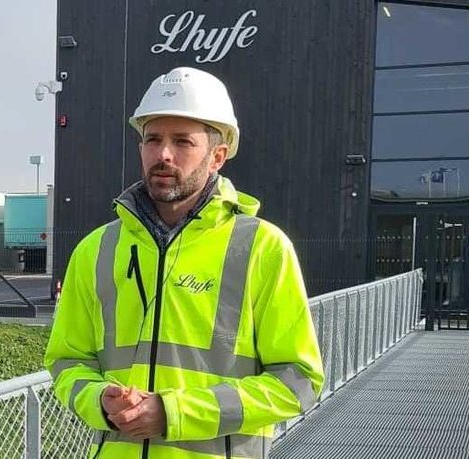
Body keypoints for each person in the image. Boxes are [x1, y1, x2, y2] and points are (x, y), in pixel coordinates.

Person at [44, 66, 324, 459]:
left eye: (183, 141)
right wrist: (99, 401)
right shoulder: (96, 249)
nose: (163, 154)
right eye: (152, 139)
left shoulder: (263, 248)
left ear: (217, 157)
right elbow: (66, 360)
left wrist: (173, 413)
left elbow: (298, 381)